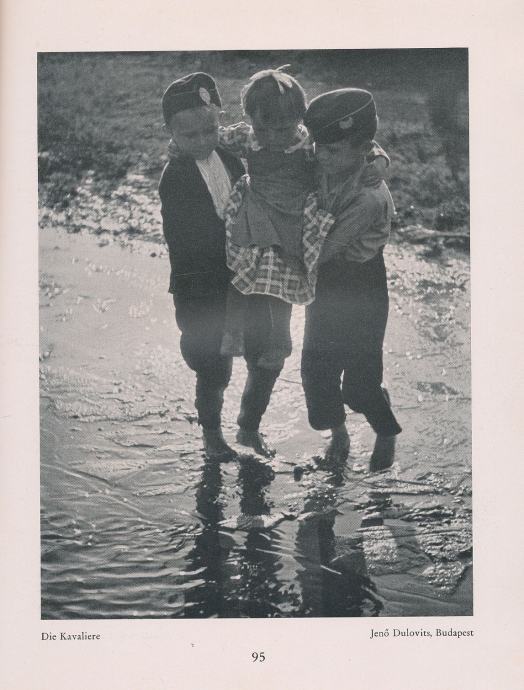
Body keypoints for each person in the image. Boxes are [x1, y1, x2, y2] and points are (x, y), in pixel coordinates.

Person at [159, 72, 284, 459]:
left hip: (245, 277)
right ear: (172, 135)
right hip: (204, 286)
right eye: (190, 135)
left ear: (218, 124)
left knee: (265, 352)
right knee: (213, 367)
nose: (202, 140)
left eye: (209, 130)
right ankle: (212, 436)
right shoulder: (175, 178)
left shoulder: (229, 157)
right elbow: (183, 241)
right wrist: (232, 248)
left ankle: (249, 426)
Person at [301, 88, 402, 470]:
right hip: (326, 283)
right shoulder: (327, 162)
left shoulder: (368, 198)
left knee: (360, 383)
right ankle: (338, 433)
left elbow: (327, 249)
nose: (321, 156)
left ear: (362, 150)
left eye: (332, 150)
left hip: (361, 284)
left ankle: (386, 430)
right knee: (316, 368)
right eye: (319, 147)